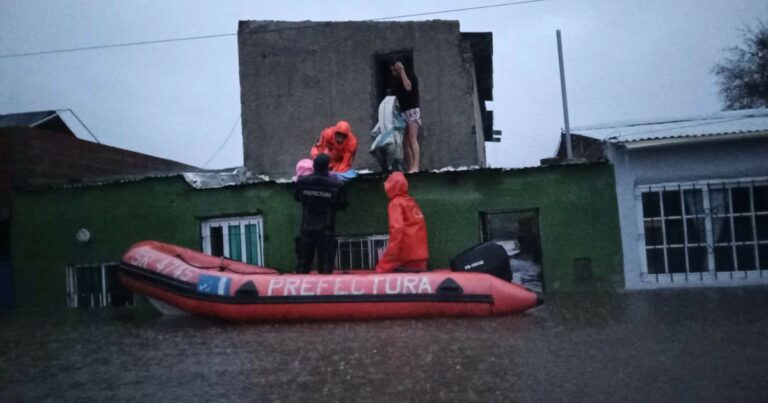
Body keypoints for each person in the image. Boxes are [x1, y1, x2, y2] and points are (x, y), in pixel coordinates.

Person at [294, 154, 348, 274]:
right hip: (326, 230)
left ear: (314, 166)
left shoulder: (303, 182)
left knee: (303, 266)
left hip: (307, 229)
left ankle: (299, 291)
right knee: (325, 267)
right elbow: (343, 204)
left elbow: (297, 198)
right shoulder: (337, 185)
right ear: (328, 166)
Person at [375, 172, 428, 273]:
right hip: (420, 255)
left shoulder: (395, 203)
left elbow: (397, 230)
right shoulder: (411, 201)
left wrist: (385, 263)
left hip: (406, 256)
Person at [390, 60, 421, 173]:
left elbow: (408, 87)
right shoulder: (395, 82)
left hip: (412, 110)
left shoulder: (410, 77)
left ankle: (415, 166)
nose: (393, 72)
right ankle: (410, 166)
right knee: (404, 142)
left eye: (394, 69)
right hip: (402, 112)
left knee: (413, 138)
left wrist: (402, 70)